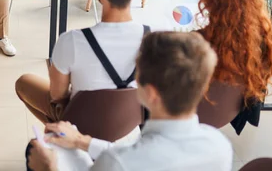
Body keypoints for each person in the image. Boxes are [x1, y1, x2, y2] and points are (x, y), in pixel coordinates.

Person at [27, 31, 233, 171]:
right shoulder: (220, 146)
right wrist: (81, 141)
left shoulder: (117, 163)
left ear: (151, 94)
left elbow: (122, 161)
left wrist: (50, 168)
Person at [15, 0, 147, 123]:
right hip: (126, 121)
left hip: (81, 122)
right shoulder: (152, 39)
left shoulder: (72, 40)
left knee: (24, 83)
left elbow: (57, 95)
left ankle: (61, 135)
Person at [197, 0, 272, 133]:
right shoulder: (262, 44)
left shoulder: (194, 43)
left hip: (184, 115)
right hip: (225, 114)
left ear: (209, 1)